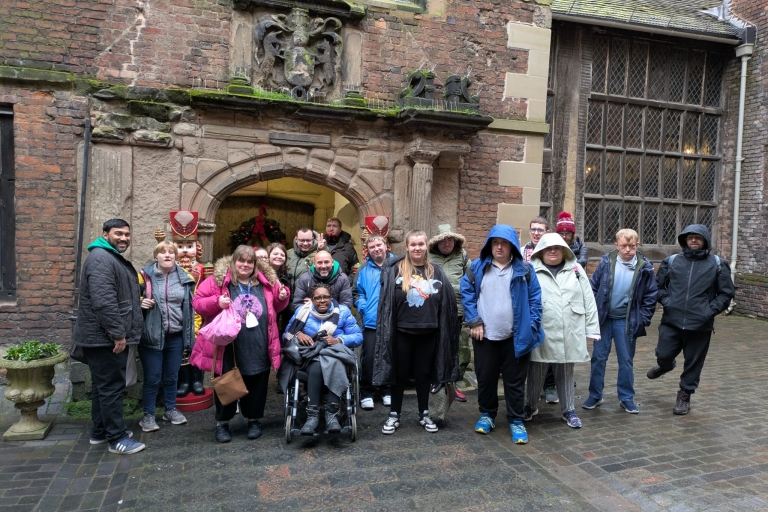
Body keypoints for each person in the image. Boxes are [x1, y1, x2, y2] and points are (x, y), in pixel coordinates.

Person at [190, 245, 290, 442]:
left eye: (249, 262)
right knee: (227, 382)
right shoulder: (218, 281)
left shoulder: (266, 281)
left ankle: (254, 420)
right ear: (233, 261)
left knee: (257, 383)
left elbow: (277, 305)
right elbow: (198, 303)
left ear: (255, 265)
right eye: (241, 261)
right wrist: (217, 302)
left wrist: (282, 297)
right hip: (230, 346)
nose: (245, 265)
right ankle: (223, 424)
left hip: (259, 342)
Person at [460, 224, 544, 445]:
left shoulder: (524, 270)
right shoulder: (478, 268)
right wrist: (474, 321)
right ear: (490, 245)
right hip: (485, 336)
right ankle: (487, 414)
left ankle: (516, 419)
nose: (499, 247)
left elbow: (535, 299)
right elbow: (466, 293)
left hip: (514, 337)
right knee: (486, 378)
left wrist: (532, 326)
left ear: (512, 246)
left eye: (504, 243)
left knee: (515, 382)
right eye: (495, 243)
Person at [373, 230, 459, 435]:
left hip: (428, 333)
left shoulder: (436, 271)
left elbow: (447, 304)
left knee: (424, 376)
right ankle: (394, 414)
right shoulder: (395, 270)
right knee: (399, 375)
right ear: (407, 247)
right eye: (413, 245)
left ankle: (424, 413)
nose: (417, 248)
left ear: (426, 245)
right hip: (402, 332)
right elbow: (386, 303)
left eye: (421, 244)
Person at [72, 219, 145, 455]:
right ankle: (117, 439)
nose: (124, 238)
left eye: (127, 234)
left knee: (103, 387)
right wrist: (118, 335)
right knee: (112, 388)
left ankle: (100, 432)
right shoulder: (102, 258)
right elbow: (104, 303)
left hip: (102, 337)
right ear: (105, 234)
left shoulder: (107, 257)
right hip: (105, 339)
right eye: (118, 234)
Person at [646, 224, 734, 415]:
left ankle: (685, 394)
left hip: (700, 325)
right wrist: (668, 302)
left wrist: (708, 311)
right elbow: (658, 287)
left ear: (705, 241)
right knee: (664, 353)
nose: (693, 240)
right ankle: (665, 365)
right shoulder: (672, 261)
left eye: (698, 237)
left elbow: (726, 294)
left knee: (694, 362)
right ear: (684, 240)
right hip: (672, 320)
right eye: (690, 237)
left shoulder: (718, 264)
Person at [525, 233, 599, 429]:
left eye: (557, 248)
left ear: (564, 250)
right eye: (548, 248)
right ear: (540, 251)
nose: (552, 251)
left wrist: (592, 329)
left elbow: (588, 300)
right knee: (536, 368)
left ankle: (568, 409)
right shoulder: (531, 270)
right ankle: (530, 406)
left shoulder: (575, 270)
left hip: (569, 328)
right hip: (541, 329)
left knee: (566, 370)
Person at [583, 229, 658, 414]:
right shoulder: (606, 262)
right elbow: (593, 288)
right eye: (624, 246)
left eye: (632, 246)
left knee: (626, 360)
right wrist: (593, 314)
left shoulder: (645, 267)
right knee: (598, 358)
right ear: (616, 245)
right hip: (604, 320)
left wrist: (644, 319)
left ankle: (626, 397)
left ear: (637, 245)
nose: (628, 250)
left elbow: (651, 295)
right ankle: (595, 395)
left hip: (627, 321)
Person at [281, 284, 362, 435]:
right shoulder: (302, 312)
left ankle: (332, 414)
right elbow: (286, 335)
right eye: (317, 298)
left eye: (325, 297)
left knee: (334, 362)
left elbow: (358, 336)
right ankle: (313, 416)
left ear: (331, 298)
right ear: (311, 300)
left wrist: (338, 339)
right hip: (310, 356)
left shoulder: (343, 312)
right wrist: (298, 334)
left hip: (336, 354)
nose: (322, 300)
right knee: (318, 366)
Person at [137, 241, 196, 432]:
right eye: (163, 253)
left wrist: (190, 335)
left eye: (171, 252)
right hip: (152, 335)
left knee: (172, 376)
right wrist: (140, 302)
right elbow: (129, 298)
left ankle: (170, 409)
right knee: (153, 378)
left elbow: (190, 307)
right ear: (156, 256)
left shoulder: (185, 278)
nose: (168, 255)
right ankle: (148, 415)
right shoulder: (144, 276)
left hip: (175, 336)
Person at [428, 224, 471, 402]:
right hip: (433, 309)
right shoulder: (427, 256)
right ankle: (435, 380)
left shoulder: (462, 256)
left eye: (450, 239)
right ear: (437, 243)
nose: (447, 243)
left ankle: (452, 383)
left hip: (457, 308)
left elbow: (471, 281)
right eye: (443, 240)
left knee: (455, 348)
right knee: (435, 346)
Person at [352, 233, 393, 410]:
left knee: (389, 356)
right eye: (372, 247)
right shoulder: (363, 270)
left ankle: (386, 390)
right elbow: (356, 293)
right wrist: (364, 306)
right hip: (370, 320)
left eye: (379, 245)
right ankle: (367, 391)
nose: (376, 249)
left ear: (385, 246)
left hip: (392, 320)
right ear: (367, 250)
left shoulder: (397, 266)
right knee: (368, 357)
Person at [522, 217, 559, 405]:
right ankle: (530, 386)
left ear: (547, 232)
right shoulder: (521, 252)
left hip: (550, 305)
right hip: (528, 306)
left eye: (540, 230)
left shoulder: (552, 251)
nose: (536, 233)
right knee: (530, 347)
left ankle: (550, 385)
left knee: (549, 346)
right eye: (533, 229)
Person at [285, 227, 320, 315]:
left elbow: (326, 278)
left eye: (308, 240)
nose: (305, 243)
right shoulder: (287, 254)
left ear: (313, 239)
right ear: (296, 239)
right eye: (302, 240)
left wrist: (316, 299)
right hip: (286, 305)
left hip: (308, 306)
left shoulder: (318, 255)